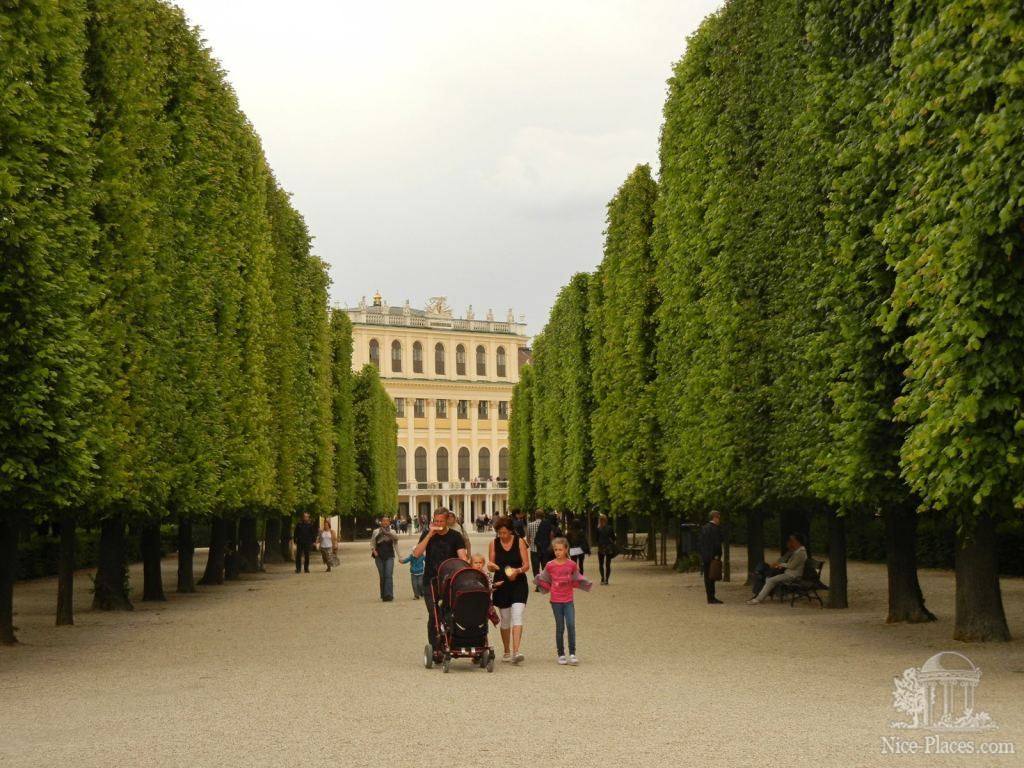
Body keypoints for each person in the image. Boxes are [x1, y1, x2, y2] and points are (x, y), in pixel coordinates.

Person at [412, 507, 469, 652]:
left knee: (451, 612)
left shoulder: (455, 536)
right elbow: (417, 554)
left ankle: (451, 641)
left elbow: (462, 556)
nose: (438, 523)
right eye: (435, 520)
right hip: (430, 580)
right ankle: (435, 646)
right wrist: (429, 534)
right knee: (434, 614)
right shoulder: (427, 534)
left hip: (450, 581)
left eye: (441, 521)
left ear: (447, 521)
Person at [536, 537, 591, 665]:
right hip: (555, 600)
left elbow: (576, 576)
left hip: (568, 600)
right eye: (555, 550)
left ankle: (572, 653)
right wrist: (546, 586)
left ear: (566, 549)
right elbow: (543, 578)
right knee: (560, 627)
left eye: (560, 549)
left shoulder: (571, 564)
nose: (558, 552)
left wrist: (584, 584)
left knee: (571, 625)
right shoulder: (550, 565)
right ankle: (561, 654)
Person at [488, 515, 530, 664]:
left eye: (505, 533)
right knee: (505, 619)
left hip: (518, 582)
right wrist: (490, 566)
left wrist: (517, 571)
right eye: (500, 533)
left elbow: (526, 565)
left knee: (517, 614)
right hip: (501, 584)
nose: (502, 536)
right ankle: (506, 650)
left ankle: (516, 651)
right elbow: (490, 565)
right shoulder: (493, 543)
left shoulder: (520, 542)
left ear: (511, 531)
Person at [747, 533, 808, 605]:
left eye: (792, 540)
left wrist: (779, 564)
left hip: (792, 576)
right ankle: (759, 597)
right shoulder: (797, 552)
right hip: (789, 574)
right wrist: (779, 564)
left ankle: (758, 599)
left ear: (798, 542)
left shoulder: (801, 553)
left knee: (770, 580)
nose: (791, 542)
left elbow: (792, 566)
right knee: (768, 578)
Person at [370, 516, 400, 601]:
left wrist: (399, 556)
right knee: (382, 576)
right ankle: (383, 594)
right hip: (379, 555)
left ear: (389, 523)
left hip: (390, 555)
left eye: (387, 521)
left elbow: (396, 542)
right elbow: (372, 542)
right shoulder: (376, 531)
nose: (385, 522)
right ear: (381, 522)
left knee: (388, 575)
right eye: (384, 521)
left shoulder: (392, 531)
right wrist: (374, 550)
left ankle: (389, 595)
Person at [699, 511, 724, 604]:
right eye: (719, 518)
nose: (719, 520)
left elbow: (701, 542)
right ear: (715, 518)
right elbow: (717, 543)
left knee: (707, 577)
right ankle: (712, 597)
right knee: (712, 576)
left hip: (705, 556)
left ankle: (709, 596)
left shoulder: (704, 528)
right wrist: (717, 555)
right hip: (713, 556)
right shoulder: (715, 529)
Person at [596, 514, 616, 585]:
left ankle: (602, 578)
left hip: (601, 547)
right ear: (606, 520)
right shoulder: (610, 528)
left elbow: (596, 539)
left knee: (601, 564)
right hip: (608, 547)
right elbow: (613, 537)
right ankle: (607, 580)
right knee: (608, 564)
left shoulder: (598, 529)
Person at [526, 510, 544, 586]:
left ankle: (538, 585)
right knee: (545, 567)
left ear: (535, 516)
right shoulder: (546, 525)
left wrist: (531, 544)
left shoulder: (530, 525)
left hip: (534, 549)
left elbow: (528, 537)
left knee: (535, 568)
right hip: (544, 549)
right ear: (543, 516)